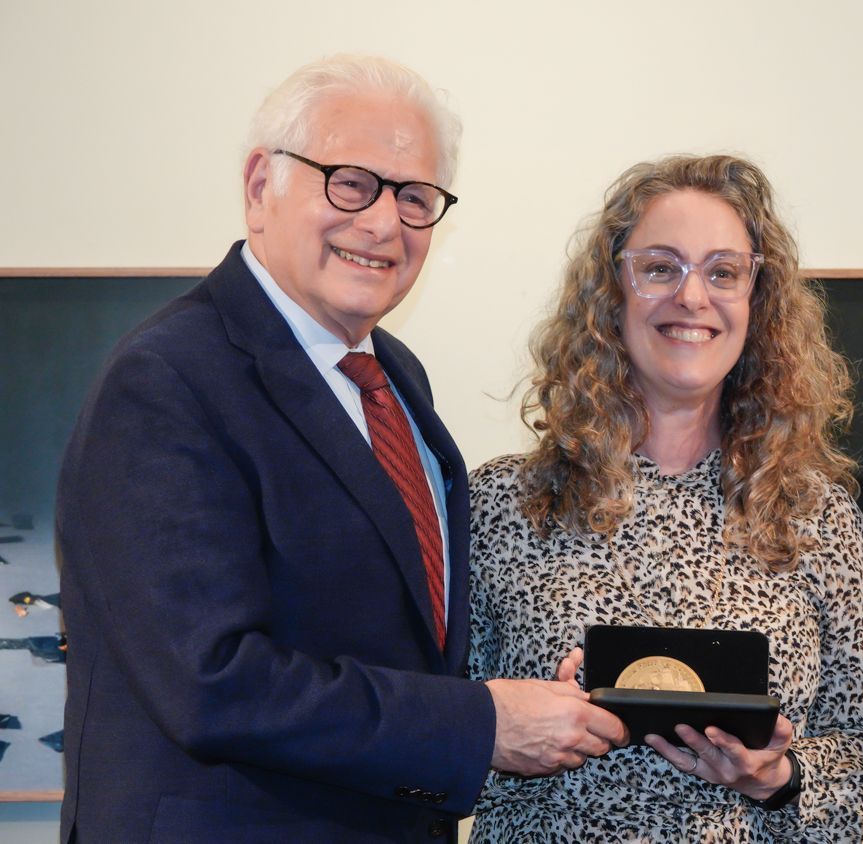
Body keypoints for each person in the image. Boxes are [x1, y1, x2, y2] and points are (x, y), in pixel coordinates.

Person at [55, 54, 624, 842]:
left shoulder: (395, 376)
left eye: (416, 198)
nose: (384, 223)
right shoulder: (167, 380)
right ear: (261, 187)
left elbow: (390, 639)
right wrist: (480, 723)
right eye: (351, 182)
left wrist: (533, 694)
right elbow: (211, 683)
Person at [466, 154, 863, 841]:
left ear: (756, 301)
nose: (693, 298)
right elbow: (427, 736)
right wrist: (511, 725)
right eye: (660, 268)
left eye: (723, 272)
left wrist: (778, 777)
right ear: (610, 292)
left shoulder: (815, 514)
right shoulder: (503, 502)